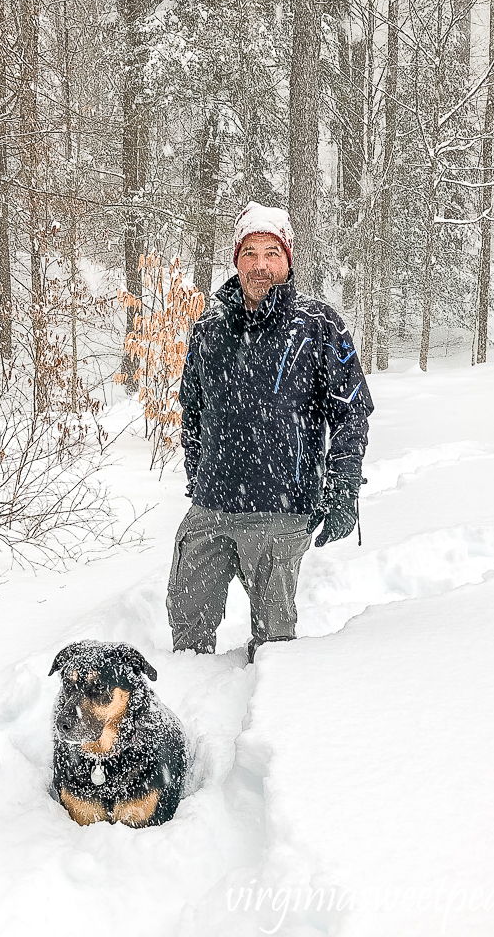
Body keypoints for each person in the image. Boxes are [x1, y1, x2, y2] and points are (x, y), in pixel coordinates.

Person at [166, 201, 373, 661]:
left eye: (272, 253)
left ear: (288, 259)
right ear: (236, 258)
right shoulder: (208, 328)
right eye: (251, 252)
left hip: (281, 510)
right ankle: (189, 716)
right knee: (185, 630)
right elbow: (192, 410)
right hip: (212, 508)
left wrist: (343, 491)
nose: (261, 265)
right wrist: (197, 472)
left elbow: (351, 413)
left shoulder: (318, 326)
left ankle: (268, 723)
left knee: (275, 643)